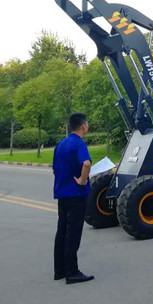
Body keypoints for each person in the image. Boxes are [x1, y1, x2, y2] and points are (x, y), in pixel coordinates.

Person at [53, 113, 94, 284]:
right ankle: (72, 272)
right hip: (76, 195)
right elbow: (86, 163)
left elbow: (55, 168)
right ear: (83, 126)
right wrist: (82, 180)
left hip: (62, 193)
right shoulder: (79, 144)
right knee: (73, 233)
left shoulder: (60, 144)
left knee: (62, 231)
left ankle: (60, 270)